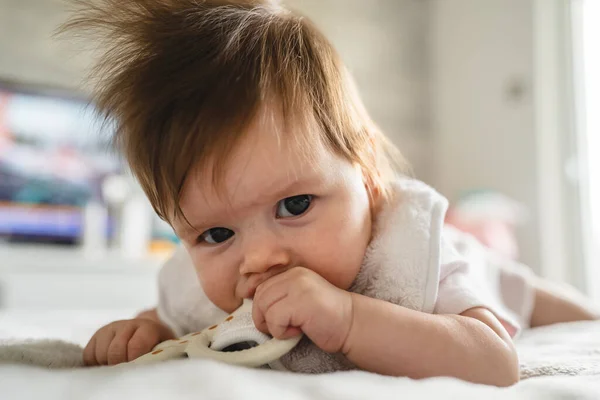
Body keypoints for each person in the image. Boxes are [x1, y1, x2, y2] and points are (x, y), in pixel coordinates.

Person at [62, 0, 597, 386]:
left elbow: (494, 362)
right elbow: (183, 322)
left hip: (480, 271)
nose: (260, 258)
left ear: (364, 174)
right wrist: (146, 327)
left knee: (543, 301)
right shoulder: (202, 287)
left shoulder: (409, 254)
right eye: (216, 234)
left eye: (294, 206)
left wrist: (349, 319)